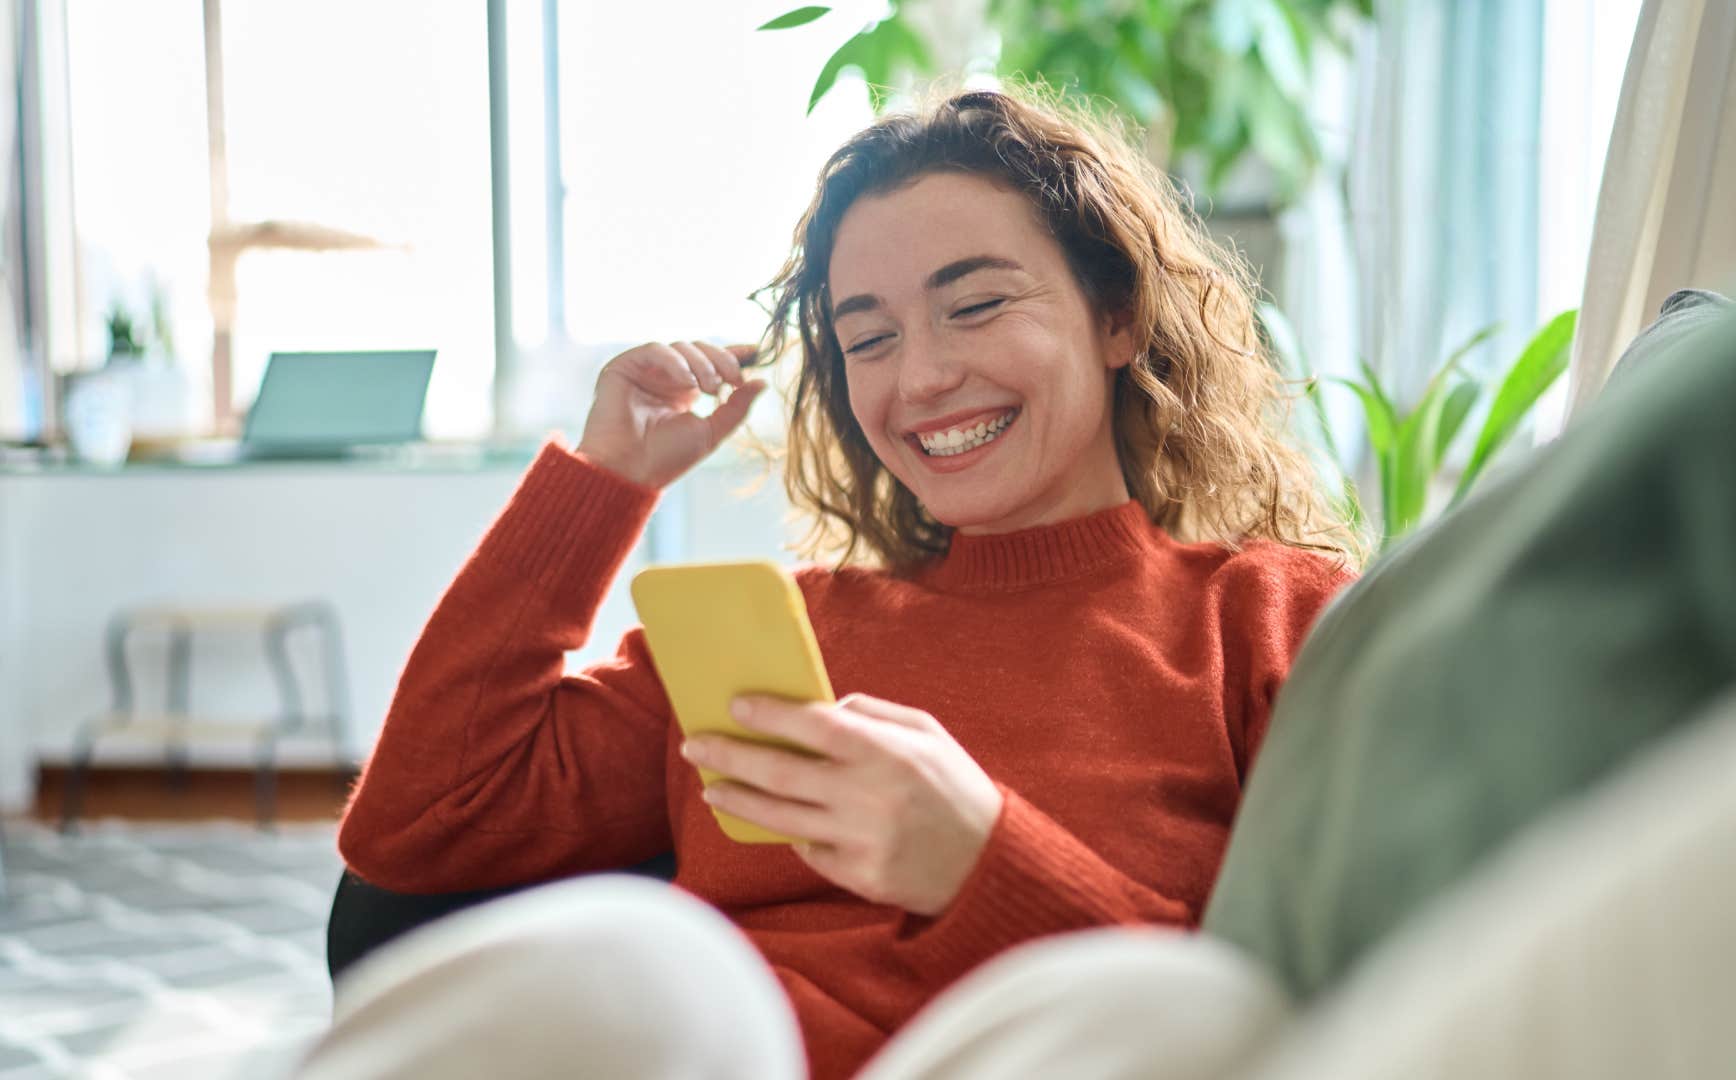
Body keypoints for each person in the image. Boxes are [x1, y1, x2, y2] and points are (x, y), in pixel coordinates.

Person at [308, 86, 1359, 1080]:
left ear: (1117, 316)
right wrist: (600, 488)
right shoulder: (785, 636)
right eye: (869, 339)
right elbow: (416, 826)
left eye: (977, 304)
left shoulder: (1270, 620)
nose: (921, 378)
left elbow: (1318, 1008)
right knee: (646, 959)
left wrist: (983, 864)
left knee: (1197, 1007)